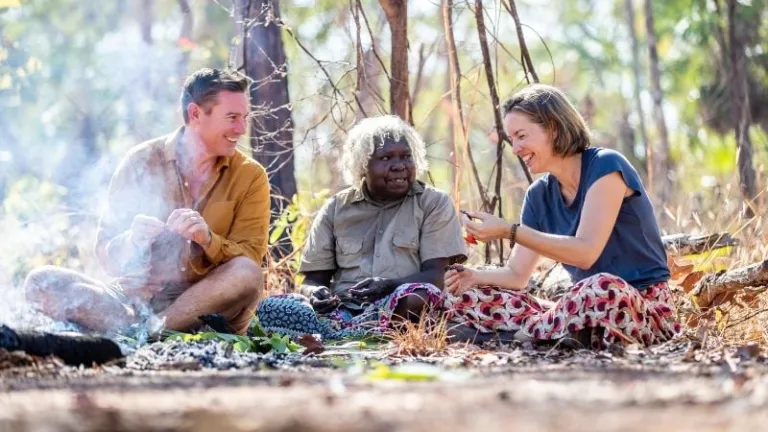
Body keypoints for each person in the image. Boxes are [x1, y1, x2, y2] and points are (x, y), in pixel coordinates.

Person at [24, 68, 270, 336]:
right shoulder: (141, 160)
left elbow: (250, 258)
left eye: (244, 117)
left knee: (247, 272)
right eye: (232, 117)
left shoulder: (251, 176)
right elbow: (106, 252)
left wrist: (208, 240)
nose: (242, 128)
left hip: (207, 306)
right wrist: (131, 242)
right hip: (132, 302)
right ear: (195, 114)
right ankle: (134, 330)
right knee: (41, 282)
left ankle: (151, 332)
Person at [444, 84, 680, 349]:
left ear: (553, 128)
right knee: (468, 295)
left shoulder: (606, 167)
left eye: (521, 136)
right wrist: (474, 277)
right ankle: (550, 332)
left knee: (601, 288)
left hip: (633, 306)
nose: (516, 148)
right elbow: (516, 274)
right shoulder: (538, 195)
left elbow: (586, 252)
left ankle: (524, 334)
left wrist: (509, 231)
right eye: (512, 140)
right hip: (577, 307)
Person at [256, 115, 467, 339]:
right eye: (385, 158)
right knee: (270, 308)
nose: (399, 166)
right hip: (342, 311)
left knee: (419, 297)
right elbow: (313, 281)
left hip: (400, 305)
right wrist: (316, 294)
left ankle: (352, 335)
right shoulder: (336, 209)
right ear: (362, 165)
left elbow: (436, 276)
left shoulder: (433, 203)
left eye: (406, 157)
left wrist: (387, 286)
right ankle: (347, 333)